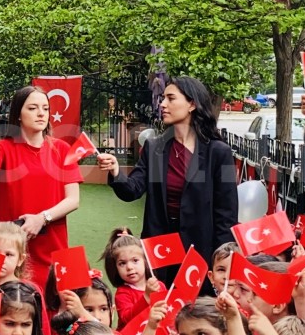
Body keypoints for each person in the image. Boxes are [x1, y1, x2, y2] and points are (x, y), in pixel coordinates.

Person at [99, 77, 238, 278]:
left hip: (200, 250)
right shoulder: (155, 147)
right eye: (163, 98)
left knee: (196, 308)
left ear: (191, 104)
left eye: (171, 98)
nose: (162, 104)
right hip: (159, 248)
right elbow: (132, 190)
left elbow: (227, 213)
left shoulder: (219, 152)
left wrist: (221, 259)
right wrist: (115, 171)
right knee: (160, 305)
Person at [0, 86, 81, 292]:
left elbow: (73, 200)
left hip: (53, 247)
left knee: (57, 312)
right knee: (10, 313)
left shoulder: (62, 149)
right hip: (9, 251)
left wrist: (42, 218)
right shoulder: (4, 147)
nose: (41, 113)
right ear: (18, 114)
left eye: (45, 108)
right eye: (33, 108)